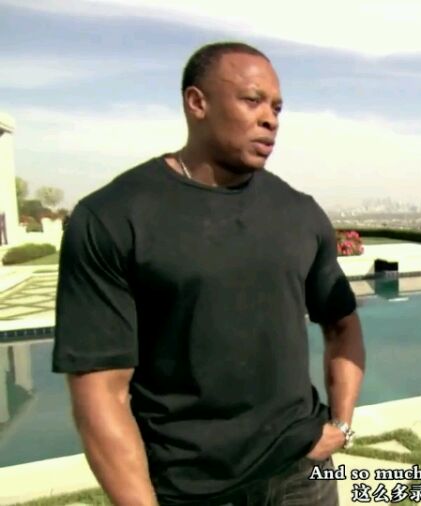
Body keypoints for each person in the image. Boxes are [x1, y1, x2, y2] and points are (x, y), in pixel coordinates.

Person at [52, 42, 365, 506]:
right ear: (197, 103)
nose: (270, 119)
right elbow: (100, 391)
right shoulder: (114, 218)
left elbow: (342, 324)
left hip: (302, 477)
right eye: (252, 100)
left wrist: (340, 423)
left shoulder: (299, 213)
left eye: (277, 107)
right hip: (190, 489)